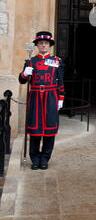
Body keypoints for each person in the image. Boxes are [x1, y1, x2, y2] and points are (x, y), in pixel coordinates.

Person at [19, 31, 65, 170]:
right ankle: (35, 158)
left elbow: (61, 81)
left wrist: (61, 98)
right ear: (37, 46)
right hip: (35, 98)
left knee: (49, 129)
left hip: (51, 97)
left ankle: (45, 158)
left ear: (49, 45)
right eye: (41, 43)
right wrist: (25, 73)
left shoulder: (57, 61)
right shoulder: (30, 61)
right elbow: (21, 80)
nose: (43, 45)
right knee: (35, 129)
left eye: (46, 43)